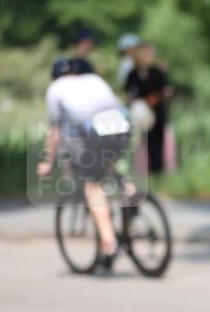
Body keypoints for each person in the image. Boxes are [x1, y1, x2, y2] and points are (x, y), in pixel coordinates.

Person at [37, 57, 131, 272]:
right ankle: (131, 197)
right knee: (111, 167)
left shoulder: (55, 89)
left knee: (92, 184)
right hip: (122, 122)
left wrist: (48, 161)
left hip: (97, 128)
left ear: (53, 78)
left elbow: (56, 132)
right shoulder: (93, 79)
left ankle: (109, 242)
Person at [124, 43, 172, 174]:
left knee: (157, 144)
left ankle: (158, 171)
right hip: (140, 115)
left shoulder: (156, 72)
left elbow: (165, 90)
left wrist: (154, 99)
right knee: (140, 144)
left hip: (157, 113)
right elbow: (129, 93)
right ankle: (142, 172)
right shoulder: (132, 75)